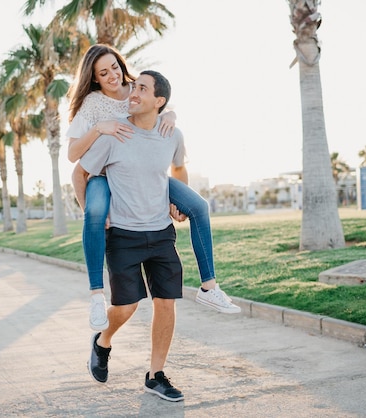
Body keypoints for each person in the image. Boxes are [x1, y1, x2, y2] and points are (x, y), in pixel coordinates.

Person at [66, 44, 240, 332]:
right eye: (103, 73)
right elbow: (75, 159)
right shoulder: (93, 104)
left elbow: (157, 105)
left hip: (144, 174)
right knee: (94, 213)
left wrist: (170, 116)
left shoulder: (135, 91)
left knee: (198, 206)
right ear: (94, 78)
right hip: (107, 175)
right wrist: (100, 128)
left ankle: (209, 287)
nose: (112, 76)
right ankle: (96, 296)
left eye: (115, 68)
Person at [73, 70, 186, 401]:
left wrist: (178, 200)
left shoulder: (172, 134)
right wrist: (93, 215)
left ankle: (156, 374)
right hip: (123, 234)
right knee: (127, 306)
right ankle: (103, 340)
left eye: (141, 89)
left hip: (161, 233)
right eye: (133, 86)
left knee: (166, 303)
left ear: (159, 101)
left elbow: (178, 168)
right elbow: (80, 172)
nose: (132, 93)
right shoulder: (114, 135)